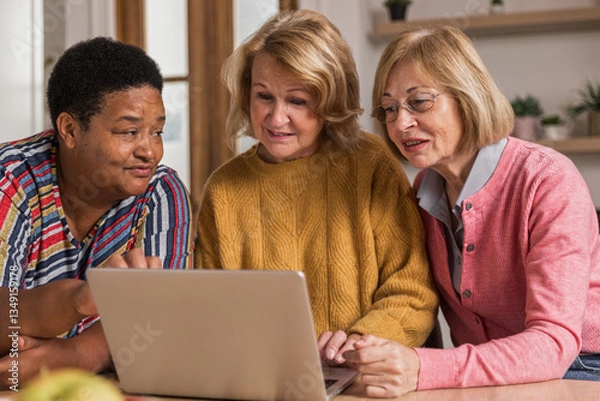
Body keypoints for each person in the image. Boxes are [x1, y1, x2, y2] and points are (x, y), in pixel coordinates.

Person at [342, 25, 600, 397]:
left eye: (420, 102)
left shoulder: (547, 179)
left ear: (467, 95)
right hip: (484, 378)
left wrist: (420, 366)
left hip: (582, 367)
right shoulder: (422, 191)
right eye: (390, 108)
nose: (400, 123)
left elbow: (553, 344)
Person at [195, 9, 438, 363]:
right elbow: (210, 309)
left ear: (331, 103)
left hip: (366, 376)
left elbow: (412, 291)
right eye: (264, 96)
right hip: (262, 379)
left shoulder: (370, 164)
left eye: (297, 101)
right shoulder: (224, 189)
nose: (277, 118)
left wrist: (358, 345)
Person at [0, 37, 193, 388]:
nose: (149, 151)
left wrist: (73, 356)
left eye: (157, 132)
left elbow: (164, 324)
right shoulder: (10, 181)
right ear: (70, 130)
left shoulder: (161, 191)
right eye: (129, 132)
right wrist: (81, 300)